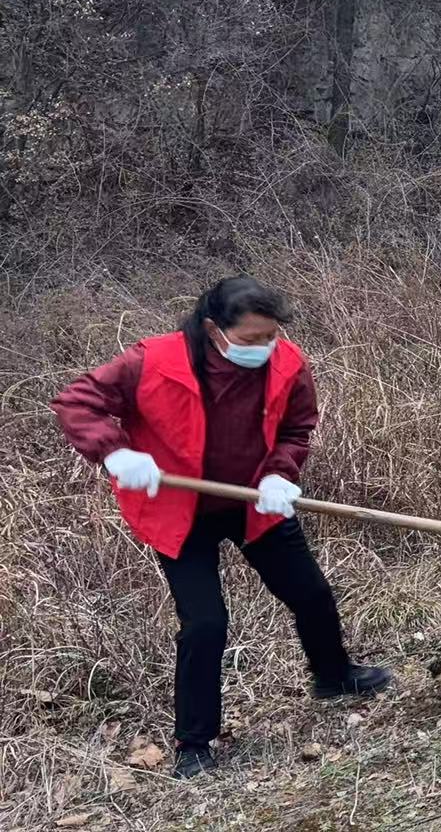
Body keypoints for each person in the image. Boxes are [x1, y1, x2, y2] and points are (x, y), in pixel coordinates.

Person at [50, 277, 389, 779]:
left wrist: (280, 473)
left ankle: (334, 676)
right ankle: (194, 742)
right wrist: (114, 452)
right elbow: (77, 401)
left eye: (271, 335)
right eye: (252, 338)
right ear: (214, 330)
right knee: (205, 623)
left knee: (310, 592)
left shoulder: (286, 362)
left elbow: (297, 427)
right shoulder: (152, 361)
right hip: (180, 511)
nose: (265, 347)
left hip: (254, 501)